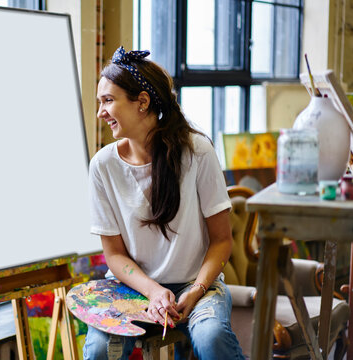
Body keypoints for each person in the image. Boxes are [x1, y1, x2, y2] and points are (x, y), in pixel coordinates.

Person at [84, 46, 245, 360]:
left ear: (142, 102)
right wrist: (153, 290)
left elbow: (222, 239)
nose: (101, 113)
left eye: (108, 101)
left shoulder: (197, 151)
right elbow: (114, 254)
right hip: (129, 288)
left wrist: (196, 290)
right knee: (101, 351)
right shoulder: (102, 166)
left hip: (196, 284)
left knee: (212, 339)